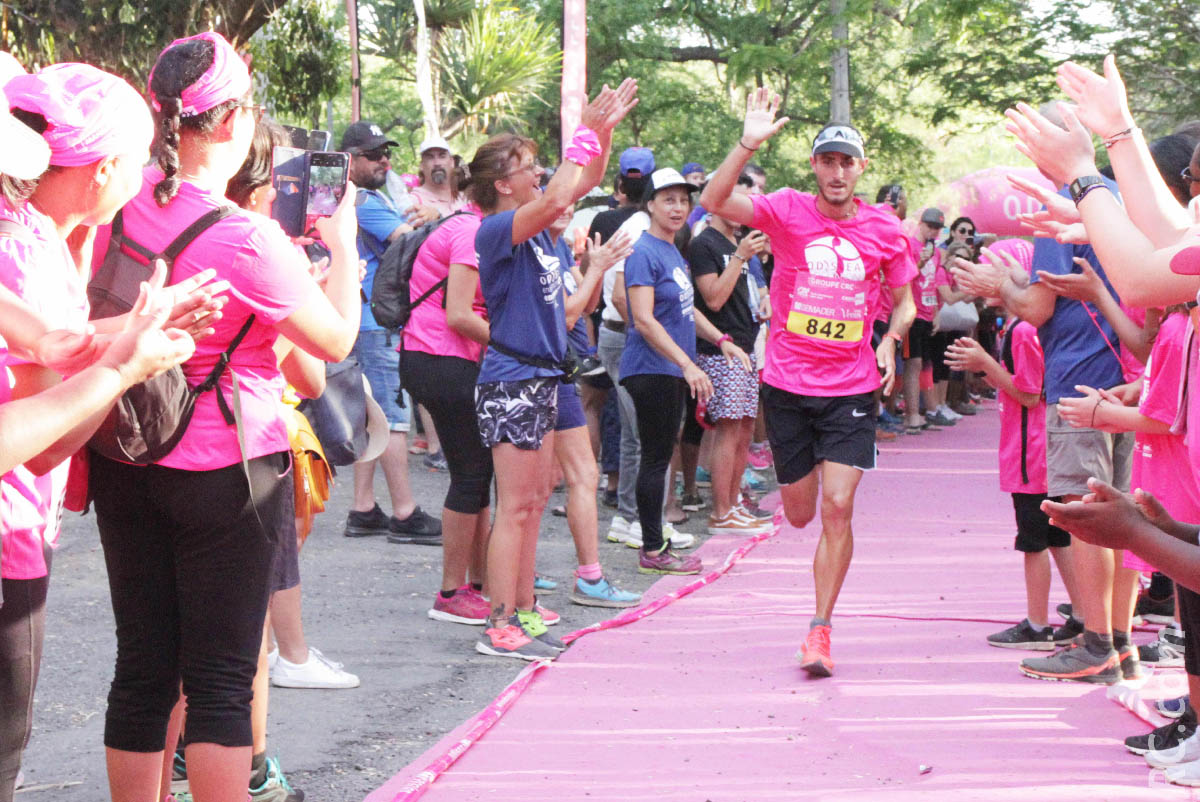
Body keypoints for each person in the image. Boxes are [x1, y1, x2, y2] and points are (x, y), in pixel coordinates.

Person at [86, 32, 362, 802]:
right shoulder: (249, 241)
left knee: (143, 668)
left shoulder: (121, 198)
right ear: (236, 123)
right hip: (227, 471)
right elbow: (333, 343)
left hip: (124, 452)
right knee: (218, 679)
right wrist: (341, 246)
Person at [0, 68, 210, 801]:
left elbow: (50, 345)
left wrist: (129, 329)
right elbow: (37, 441)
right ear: (109, 167)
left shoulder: (29, 236)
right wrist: (125, 364)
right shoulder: (24, 249)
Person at [700, 89, 917, 677]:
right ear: (815, 168)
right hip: (790, 384)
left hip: (851, 385)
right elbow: (712, 199)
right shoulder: (787, 209)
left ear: (861, 169)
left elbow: (905, 301)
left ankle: (820, 629)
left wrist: (890, 340)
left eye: (848, 162)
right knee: (798, 513)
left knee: (838, 506)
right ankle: (800, 502)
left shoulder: (885, 228)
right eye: (829, 161)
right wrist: (749, 141)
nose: (838, 171)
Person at [471, 80, 638, 660]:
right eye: (527, 168)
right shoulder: (498, 230)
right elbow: (562, 187)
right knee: (515, 507)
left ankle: (520, 611)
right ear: (501, 184)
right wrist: (585, 130)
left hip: (543, 378)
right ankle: (499, 624)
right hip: (513, 380)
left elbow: (583, 181)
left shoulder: (544, 237)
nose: (539, 175)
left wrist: (604, 128)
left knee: (534, 502)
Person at [944, 240, 1082, 651]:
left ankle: (1037, 625)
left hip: (1032, 450)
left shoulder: (1023, 330)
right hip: (1039, 447)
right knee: (1059, 536)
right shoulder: (1022, 326)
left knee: (1034, 540)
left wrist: (984, 364)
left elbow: (1028, 392)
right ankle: (1083, 613)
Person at [622, 167, 755, 575]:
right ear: (649, 205)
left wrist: (722, 340)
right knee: (657, 459)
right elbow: (643, 319)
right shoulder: (643, 251)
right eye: (668, 200)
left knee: (662, 456)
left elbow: (687, 308)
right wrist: (686, 362)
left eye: (683, 200)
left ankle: (657, 542)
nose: (678, 207)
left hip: (672, 369)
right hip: (651, 368)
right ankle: (652, 549)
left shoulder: (671, 250)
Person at [339, 120, 441, 545]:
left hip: (358, 320)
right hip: (376, 323)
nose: (385, 160)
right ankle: (404, 513)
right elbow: (413, 246)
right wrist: (437, 219)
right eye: (374, 154)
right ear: (350, 160)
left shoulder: (350, 198)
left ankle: (363, 508)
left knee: (370, 417)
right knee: (394, 419)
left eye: (387, 152)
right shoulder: (363, 201)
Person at [399, 174, 493, 626]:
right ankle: (452, 592)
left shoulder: (467, 226)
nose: (537, 177)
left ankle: (481, 585)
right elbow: (458, 314)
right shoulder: (470, 230)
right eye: (526, 169)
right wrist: (518, 344)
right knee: (471, 472)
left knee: (478, 471)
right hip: (440, 358)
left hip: (444, 358)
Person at [546, 205, 642, 605]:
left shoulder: (560, 249)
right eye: (552, 195)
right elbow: (570, 312)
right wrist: (597, 270)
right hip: (524, 374)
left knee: (583, 475)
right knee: (529, 492)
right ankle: (511, 596)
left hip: (559, 368)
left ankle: (589, 578)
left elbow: (582, 308)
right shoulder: (516, 241)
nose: (566, 206)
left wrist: (594, 269)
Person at [686, 173, 773, 534]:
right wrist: (740, 257)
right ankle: (721, 512)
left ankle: (734, 504)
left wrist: (764, 299)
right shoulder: (703, 244)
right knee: (729, 429)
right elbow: (713, 299)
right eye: (735, 198)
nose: (741, 208)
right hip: (719, 350)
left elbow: (750, 293)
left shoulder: (741, 243)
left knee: (745, 429)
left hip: (749, 346)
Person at [903, 207, 946, 433]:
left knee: (925, 364)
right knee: (914, 363)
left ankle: (925, 410)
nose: (933, 232)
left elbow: (935, 284)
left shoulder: (936, 252)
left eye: (937, 228)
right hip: (912, 311)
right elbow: (904, 276)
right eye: (930, 226)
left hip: (929, 311)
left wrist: (937, 313)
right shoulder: (910, 246)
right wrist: (920, 262)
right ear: (921, 224)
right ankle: (911, 414)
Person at [410, 135, 467, 217]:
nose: (437, 163)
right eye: (430, 157)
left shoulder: (465, 198)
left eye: (442, 156)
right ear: (421, 165)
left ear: (452, 162)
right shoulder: (414, 201)